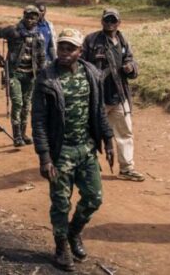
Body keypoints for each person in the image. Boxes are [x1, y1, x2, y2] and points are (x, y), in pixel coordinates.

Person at [32, 28, 114, 272]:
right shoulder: (46, 78)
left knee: (94, 197)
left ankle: (73, 232)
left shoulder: (91, 73)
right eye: (61, 47)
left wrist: (108, 139)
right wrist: (45, 157)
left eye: (70, 48)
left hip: (86, 148)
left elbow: (98, 110)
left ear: (80, 51)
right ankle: (61, 248)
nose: (65, 52)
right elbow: (38, 121)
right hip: (61, 153)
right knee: (60, 203)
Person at [82, 8, 144, 181]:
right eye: (107, 20)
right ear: (102, 21)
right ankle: (89, 166)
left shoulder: (123, 42)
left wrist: (130, 67)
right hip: (97, 97)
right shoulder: (91, 40)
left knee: (125, 133)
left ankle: (127, 168)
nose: (110, 23)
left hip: (119, 96)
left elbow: (131, 61)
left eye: (113, 20)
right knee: (91, 133)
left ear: (119, 22)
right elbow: (81, 65)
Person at [0, 5, 46, 147]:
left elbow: (41, 57)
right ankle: (16, 136)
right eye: (28, 16)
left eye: (33, 17)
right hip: (14, 73)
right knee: (18, 103)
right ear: (23, 16)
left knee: (27, 105)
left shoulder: (38, 35)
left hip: (30, 75)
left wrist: (42, 74)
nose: (30, 20)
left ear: (37, 18)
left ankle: (23, 134)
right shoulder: (12, 31)